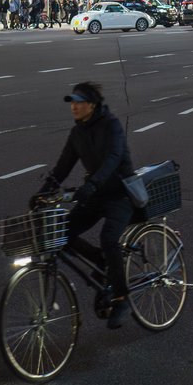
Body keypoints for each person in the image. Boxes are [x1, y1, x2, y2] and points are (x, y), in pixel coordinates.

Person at [39, 80, 136, 327]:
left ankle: (122, 297)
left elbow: (114, 158)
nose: (73, 106)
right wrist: (43, 192)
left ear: (91, 105)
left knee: (109, 238)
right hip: (95, 195)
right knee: (61, 233)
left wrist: (93, 184)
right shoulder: (77, 133)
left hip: (120, 192)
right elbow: (63, 166)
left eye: (78, 102)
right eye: (71, 102)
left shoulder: (111, 125)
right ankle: (101, 260)